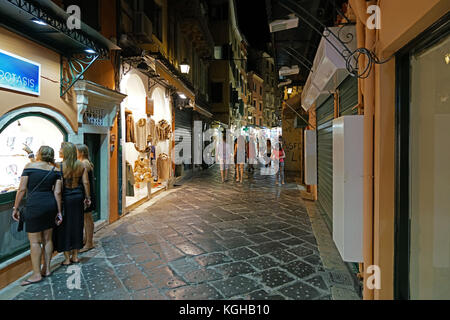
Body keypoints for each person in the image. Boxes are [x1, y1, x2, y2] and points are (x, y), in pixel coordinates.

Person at [12, 146, 63, 286]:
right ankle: (46, 269)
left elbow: (22, 189)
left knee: (35, 242)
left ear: (40, 154)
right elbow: (57, 193)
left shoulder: (30, 166)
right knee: (47, 239)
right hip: (50, 205)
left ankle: (36, 274)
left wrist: (15, 208)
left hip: (34, 206)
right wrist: (59, 212)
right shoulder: (56, 170)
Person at [54, 142, 91, 265]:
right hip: (78, 197)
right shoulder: (80, 165)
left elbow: (58, 189)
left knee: (64, 227)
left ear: (65, 152)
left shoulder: (59, 166)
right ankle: (75, 256)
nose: (59, 151)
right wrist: (87, 197)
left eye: (61, 149)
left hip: (65, 198)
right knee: (77, 224)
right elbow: (86, 182)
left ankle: (66, 258)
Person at [76, 144, 96, 253]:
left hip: (86, 194)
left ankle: (89, 243)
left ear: (82, 153)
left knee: (87, 218)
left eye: (76, 151)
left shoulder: (84, 163)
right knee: (87, 218)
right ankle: (87, 240)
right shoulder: (86, 162)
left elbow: (85, 181)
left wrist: (87, 197)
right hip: (88, 193)